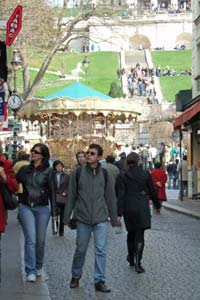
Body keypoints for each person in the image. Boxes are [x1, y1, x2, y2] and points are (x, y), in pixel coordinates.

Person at [64, 143, 118, 293]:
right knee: (81, 249)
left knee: (100, 250)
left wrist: (114, 218)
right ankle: (76, 276)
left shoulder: (105, 174)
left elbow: (111, 197)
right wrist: (66, 216)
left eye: (92, 153)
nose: (88, 155)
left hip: (101, 218)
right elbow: (72, 195)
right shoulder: (78, 173)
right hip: (83, 218)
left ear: (99, 157)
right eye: (88, 153)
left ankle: (99, 281)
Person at [16, 143, 57, 282]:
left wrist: (54, 212)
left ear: (43, 155)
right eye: (32, 151)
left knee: (40, 241)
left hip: (42, 209)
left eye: (36, 152)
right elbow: (13, 183)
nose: (33, 153)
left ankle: (38, 265)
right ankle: (30, 270)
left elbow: (52, 192)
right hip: (25, 206)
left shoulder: (49, 171)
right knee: (31, 240)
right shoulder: (24, 169)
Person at [116, 152, 160, 273]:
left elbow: (120, 195)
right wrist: (157, 205)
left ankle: (131, 257)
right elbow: (152, 190)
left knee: (131, 233)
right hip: (141, 205)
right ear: (138, 161)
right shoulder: (145, 173)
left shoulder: (122, 175)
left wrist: (119, 213)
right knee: (140, 234)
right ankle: (138, 263)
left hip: (128, 206)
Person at [52, 160, 69, 236]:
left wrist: (66, 192)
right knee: (54, 213)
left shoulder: (66, 175)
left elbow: (69, 186)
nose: (59, 167)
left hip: (63, 197)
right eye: (57, 166)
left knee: (62, 215)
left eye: (60, 166)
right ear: (54, 167)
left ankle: (61, 231)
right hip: (54, 196)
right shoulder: (52, 175)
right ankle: (55, 229)